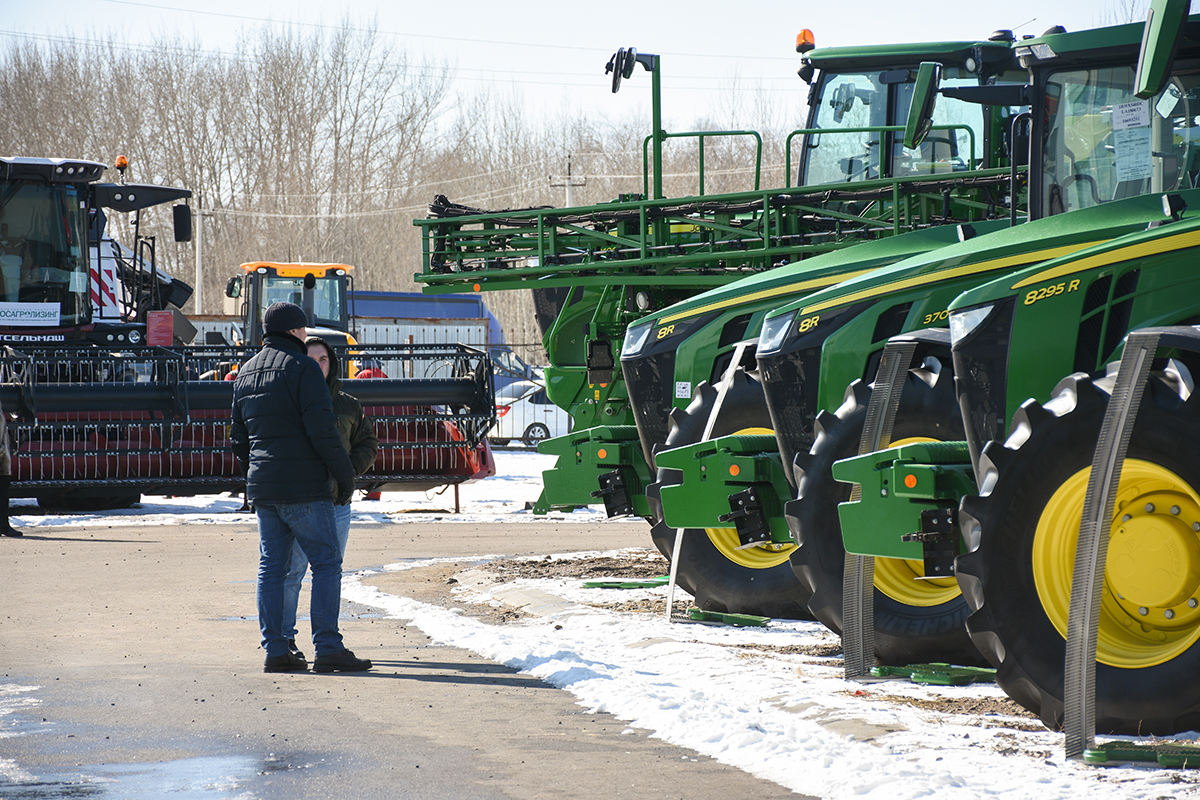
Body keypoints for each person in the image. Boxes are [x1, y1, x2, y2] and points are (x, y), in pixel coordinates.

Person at [230, 301, 371, 674]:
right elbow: (322, 430)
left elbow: (238, 438)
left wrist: (255, 475)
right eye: (304, 329)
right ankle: (328, 648)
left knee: (271, 568)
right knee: (326, 563)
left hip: (264, 490)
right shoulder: (303, 368)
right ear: (294, 331)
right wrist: (344, 475)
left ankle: (277, 650)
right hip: (305, 487)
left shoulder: (246, 372)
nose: (306, 334)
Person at [281, 336, 378, 661]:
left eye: (322, 359)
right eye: (310, 359)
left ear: (331, 364)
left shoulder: (348, 404)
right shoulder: (288, 400)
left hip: (337, 503)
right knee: (292, 571)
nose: (317, 365)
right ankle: (285, 639)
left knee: (329, 572)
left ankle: (327, 645)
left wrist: (348, 470)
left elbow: (368, 441)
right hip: (302, 502)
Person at [1, 401, 21, 537]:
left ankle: (3, 525)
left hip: (2, 461)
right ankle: (4, 526)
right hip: (1, 461)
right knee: (2, 492)